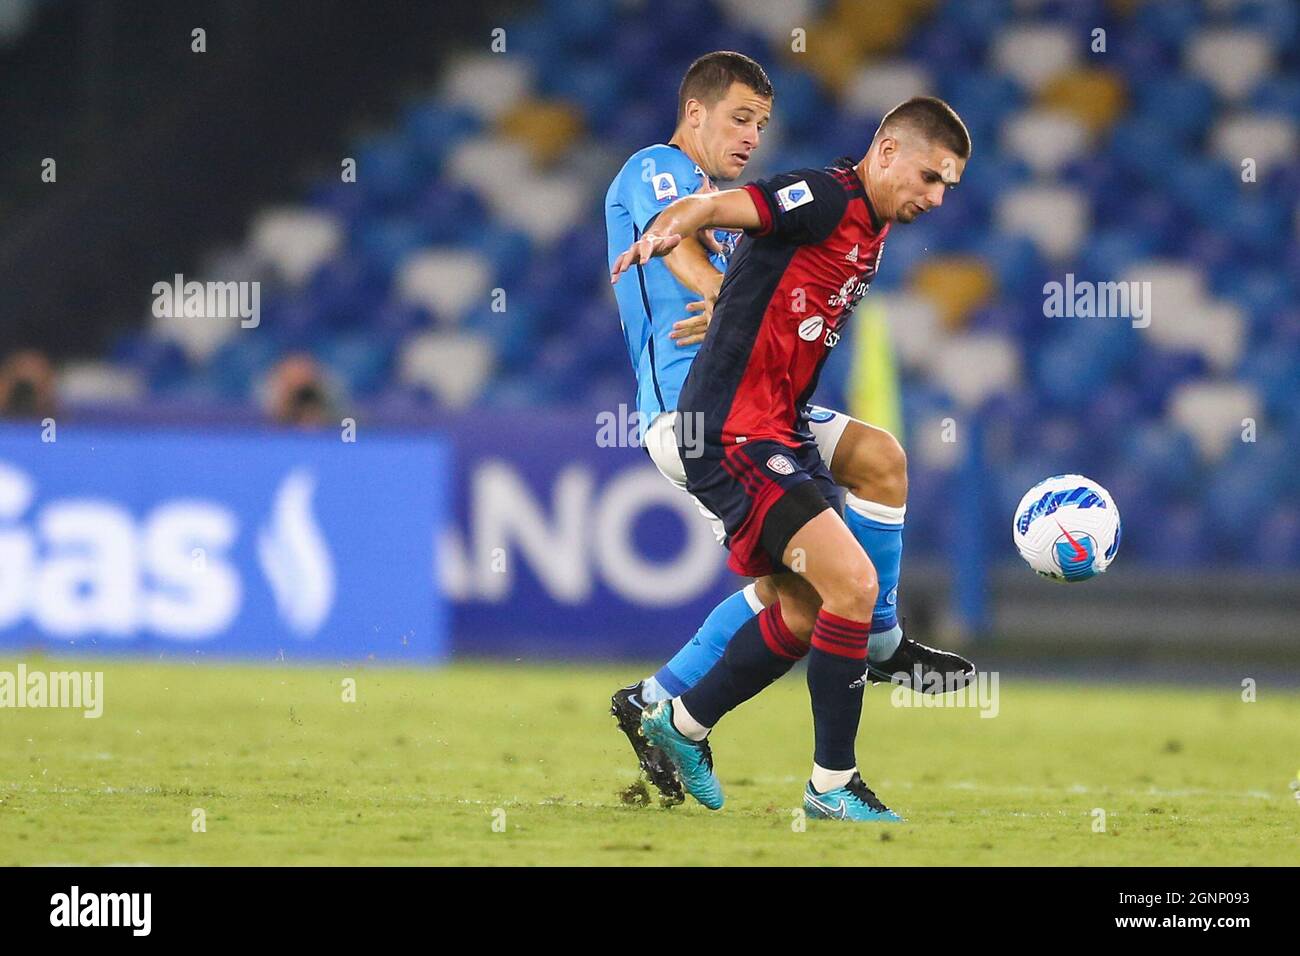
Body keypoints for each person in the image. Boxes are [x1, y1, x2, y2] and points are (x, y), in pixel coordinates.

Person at [610, 96, 972, 820]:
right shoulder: (823, 197)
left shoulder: (871, 227)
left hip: (780, 427)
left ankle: (678, 722)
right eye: (931, 178)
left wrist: (731, 294)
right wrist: (670, 228)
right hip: (731, 431)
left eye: (948, 188)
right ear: (890, 152)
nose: (936, 198)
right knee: (851, 584)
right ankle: (833, 783)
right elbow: (721, 208)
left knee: (809, 610)